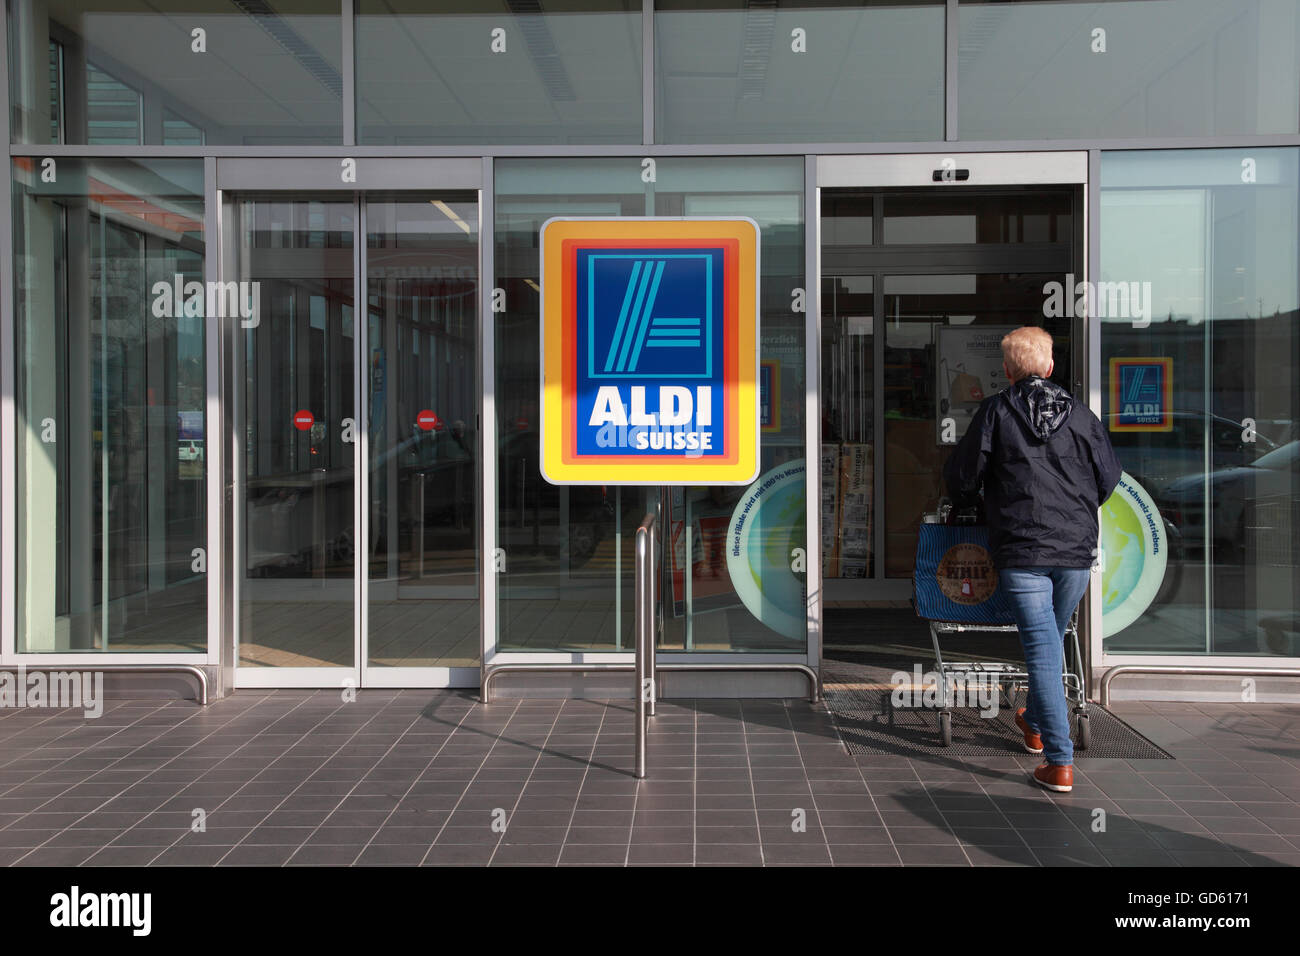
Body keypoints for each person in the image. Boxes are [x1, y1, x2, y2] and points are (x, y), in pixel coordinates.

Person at [942, 326, 1121, 793]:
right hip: (1075, 553)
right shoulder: (1082, 416)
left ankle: (1059, 762)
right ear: (1050, 366)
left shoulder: (997, 412)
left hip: (1022, 551)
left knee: (1043, 651)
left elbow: (964, 475)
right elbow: (1109, 477)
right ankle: (1035, 722)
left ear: (1006, 370)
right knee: (1052, 644)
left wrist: (976, 498)